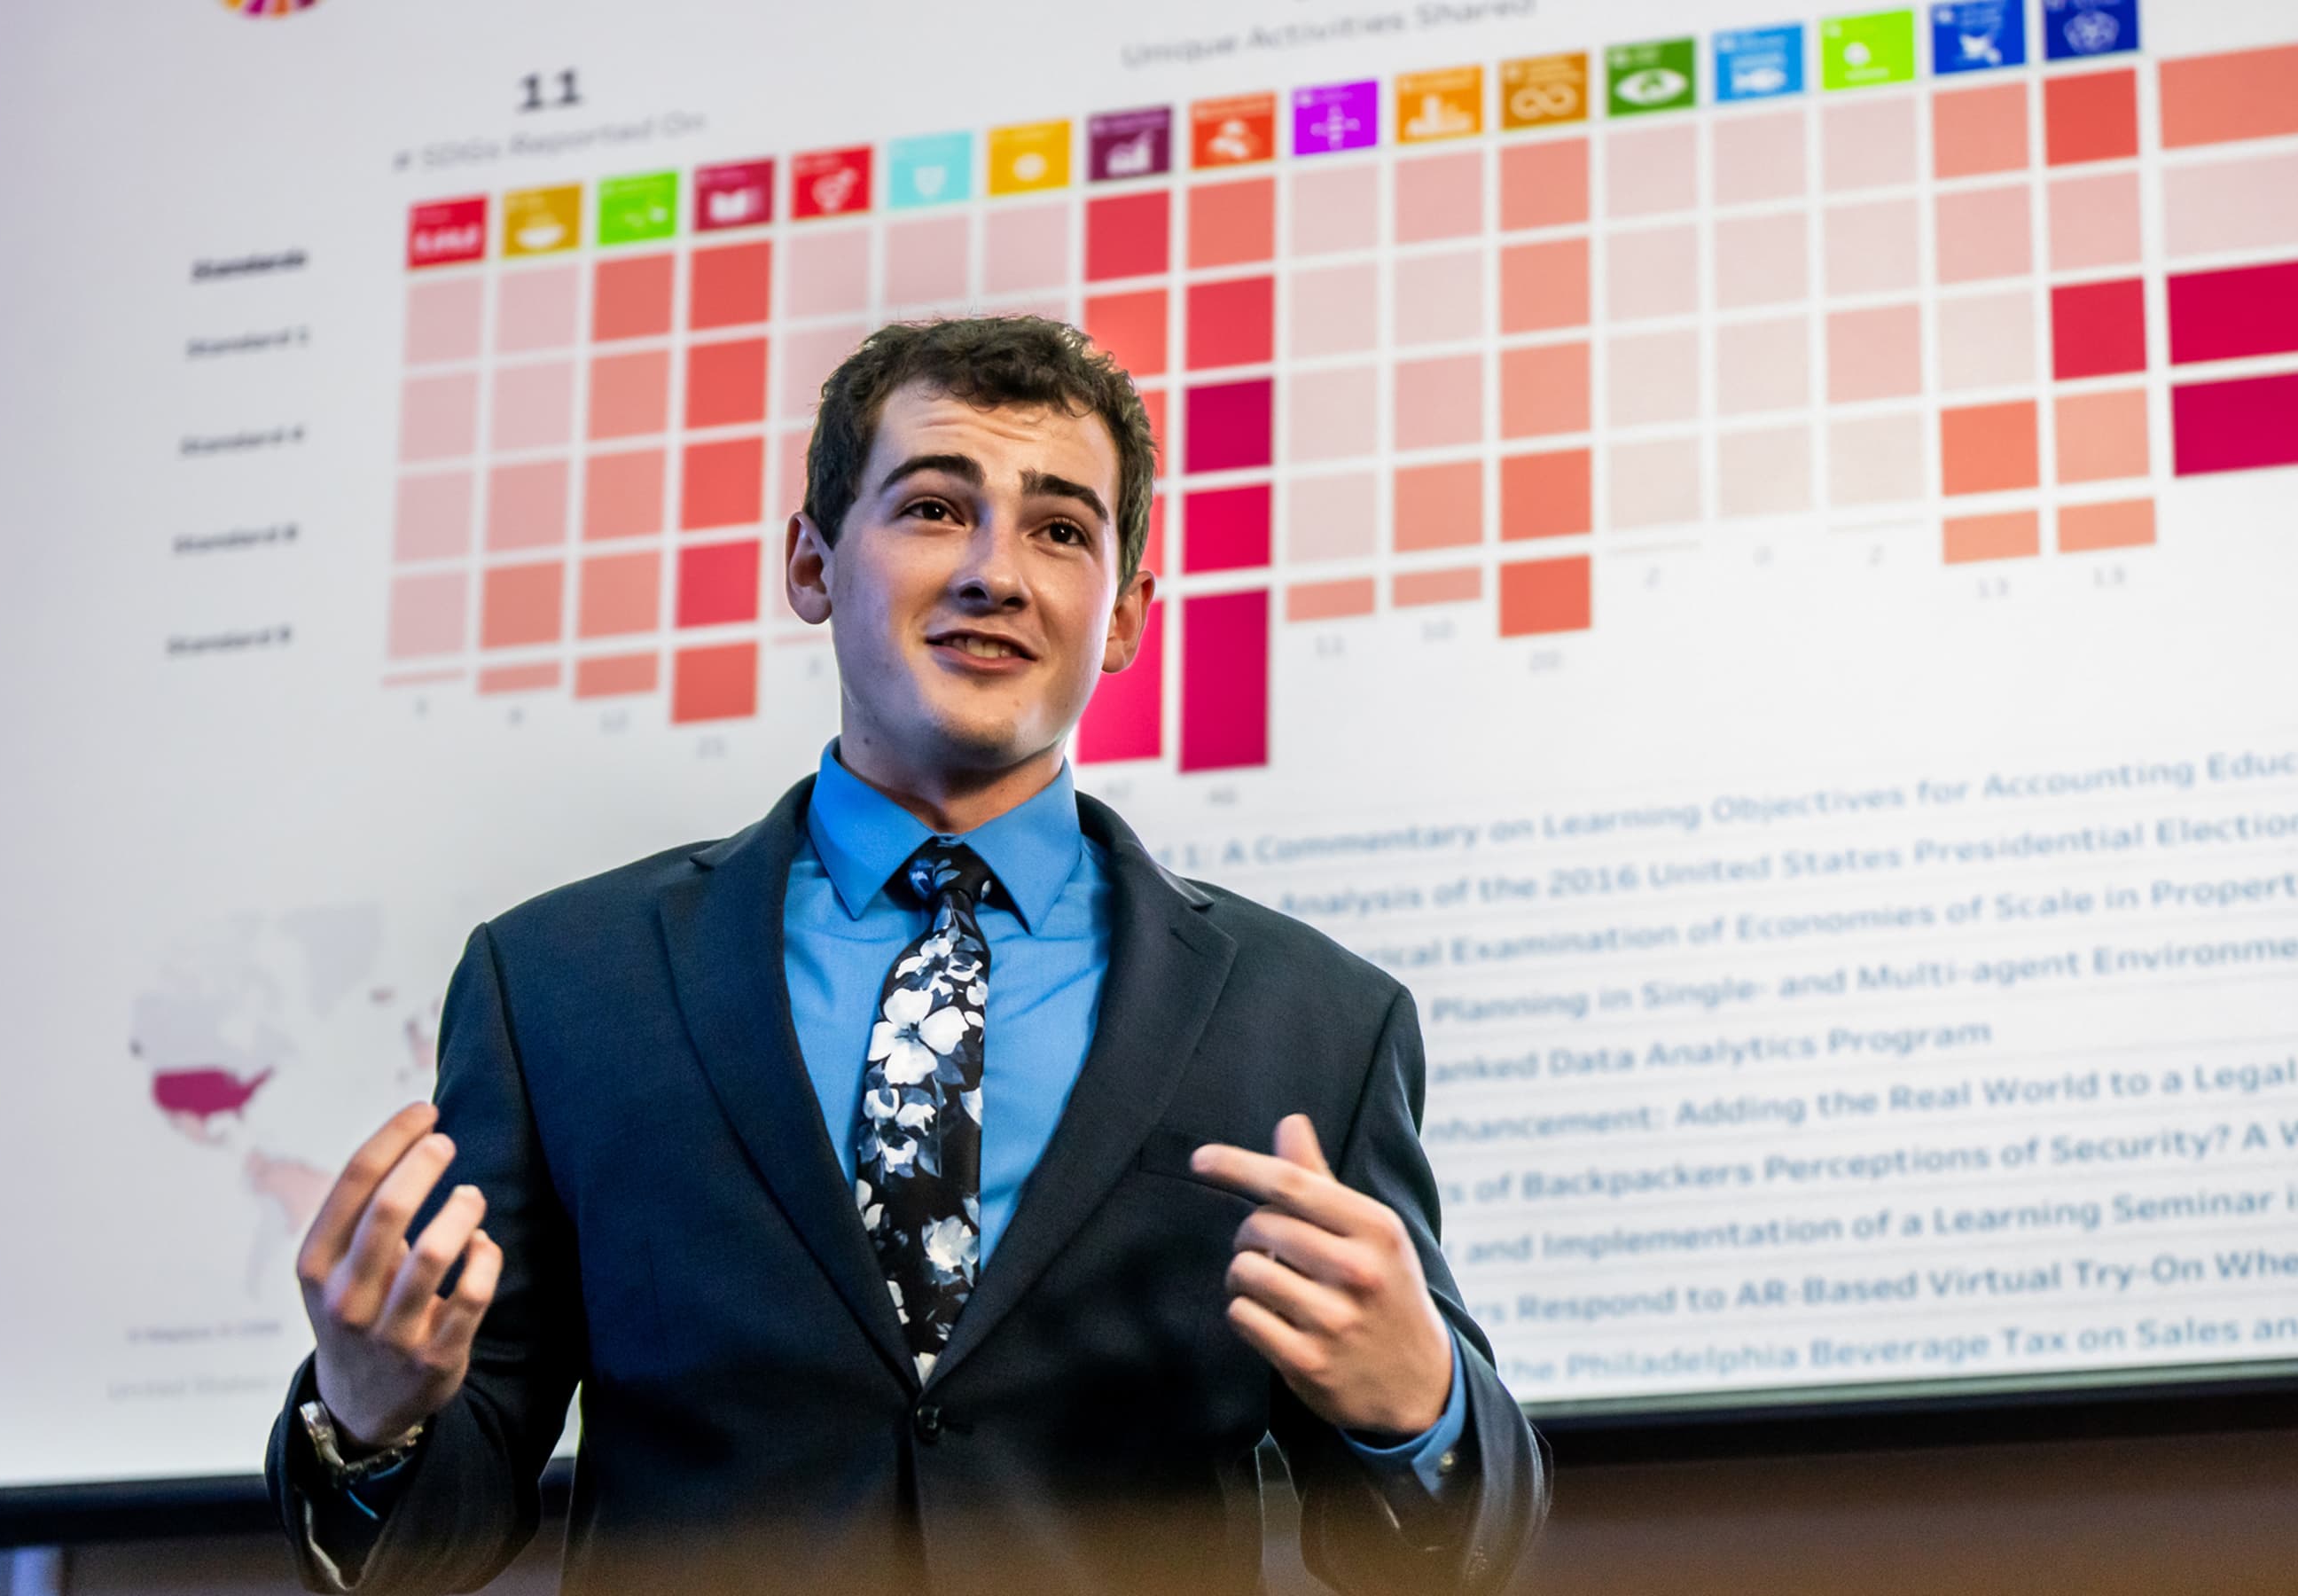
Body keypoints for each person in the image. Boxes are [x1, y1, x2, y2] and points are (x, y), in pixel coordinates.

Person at [265, 316, 1549, 1594]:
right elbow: (433, 1537)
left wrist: (1417, 1406)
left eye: (1061, 530)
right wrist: (370, 1419)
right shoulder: (560, 984)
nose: (997, 571)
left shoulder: (1315, 1019)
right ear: (812, 565)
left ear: (1124, 617)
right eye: (936, 509)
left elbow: (1456, 1555)